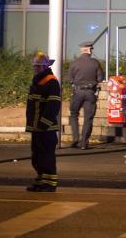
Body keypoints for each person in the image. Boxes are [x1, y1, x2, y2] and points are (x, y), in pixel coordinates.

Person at [26, 51, 61, 192]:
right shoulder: (38, 80)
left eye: (38, 66)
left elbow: (53, 105)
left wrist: (43, 124)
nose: (35, 69)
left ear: (45, 66)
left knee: (46, 157)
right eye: (34, 66)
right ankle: (41, 180)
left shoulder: (50, 81)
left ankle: (50, 183)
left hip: (46, 129)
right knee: (37, 156)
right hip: (37, 127)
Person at [67, 40, 104, 149]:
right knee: (88, 118)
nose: (92, 51)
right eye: (92, 49)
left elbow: (69, 79)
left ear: (81, 50)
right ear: (89, 50)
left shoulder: (74, 63)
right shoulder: (95, 62)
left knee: (74, 114)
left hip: (77, 92)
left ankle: (75, 138)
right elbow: (100, 78)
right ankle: (84, 143)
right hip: (90, 93)